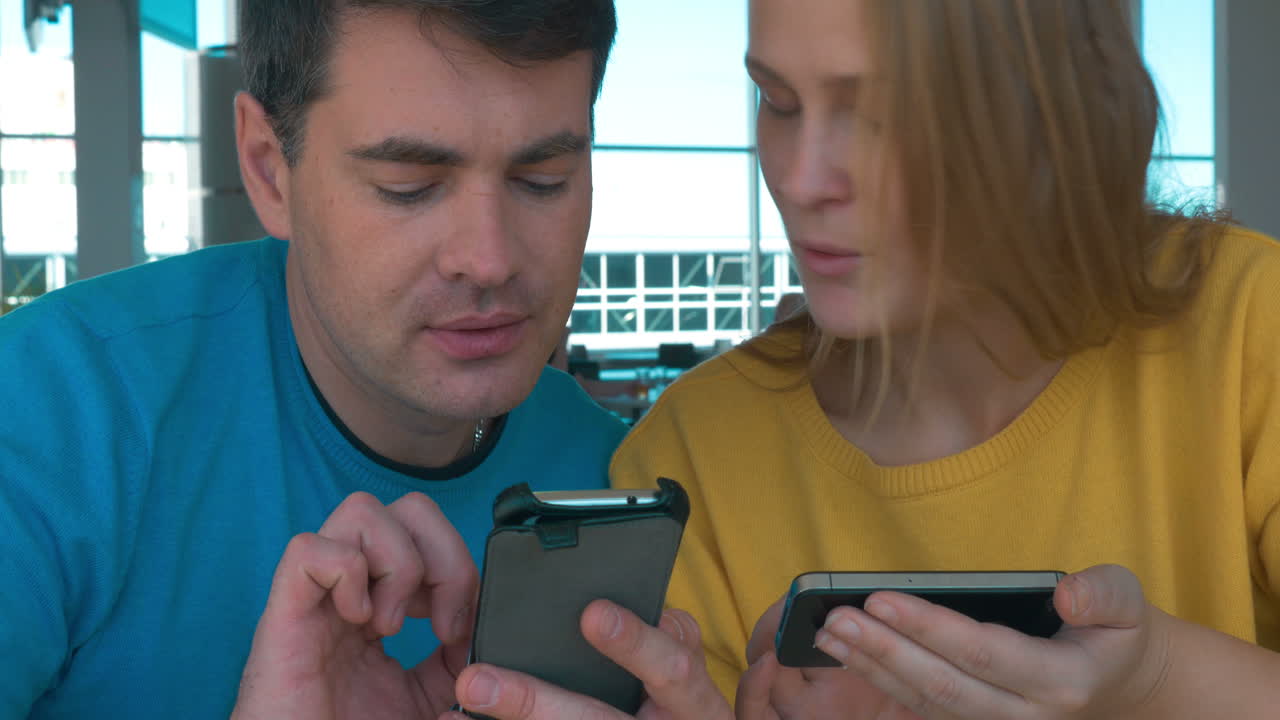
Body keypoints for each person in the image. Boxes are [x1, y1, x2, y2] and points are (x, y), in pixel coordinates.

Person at [611, 0, 1280, 718]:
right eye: (776, 101)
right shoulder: (690, 458)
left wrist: (1157, 676)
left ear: (1046, 111)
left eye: (880, 117)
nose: (802, 182)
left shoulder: (1249, 327)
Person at [0, 1, 631, 717]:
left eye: (542, 178)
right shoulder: (49, 413)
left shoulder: (624, 476)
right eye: (409, 188)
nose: (488, 260)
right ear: (270, 172)